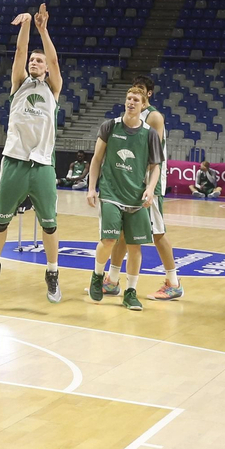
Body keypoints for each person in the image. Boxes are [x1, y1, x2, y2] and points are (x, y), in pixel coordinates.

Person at [0, 2, 64, 303]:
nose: (35, 62)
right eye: (33, 59)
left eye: (39, 61)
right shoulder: (18, 85)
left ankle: (52, 273)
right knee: (1, 220)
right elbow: (19, 53)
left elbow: (55, 63)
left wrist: (43, 31)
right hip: (15, 162)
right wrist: (28, 22)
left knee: (50, 224)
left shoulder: (52, 89)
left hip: (42, 165)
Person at [101, 75, 183, 302]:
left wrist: (148, 184)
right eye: (133, 91)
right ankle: (112, 280)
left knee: (157, 234)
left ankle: (174, 283)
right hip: (132, 182)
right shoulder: (128, 117)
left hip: (149, 183)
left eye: (141, 91)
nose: (136, 96)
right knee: (123, 234)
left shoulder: (154, 117)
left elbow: (152, 156)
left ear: (148, 94)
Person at [87, 82, 163, 311]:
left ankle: (130, 292)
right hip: (110, 193)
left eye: (136, 100)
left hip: (136, 197)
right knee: (109, 240)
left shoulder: (149, 134)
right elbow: (96, 160)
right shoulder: (110, 126)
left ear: (143, 106)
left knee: (135, 247)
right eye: (129, 98)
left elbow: (155, 166)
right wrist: (91, 188)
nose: (131, 102)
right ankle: (98, 275)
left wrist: (150, 188)